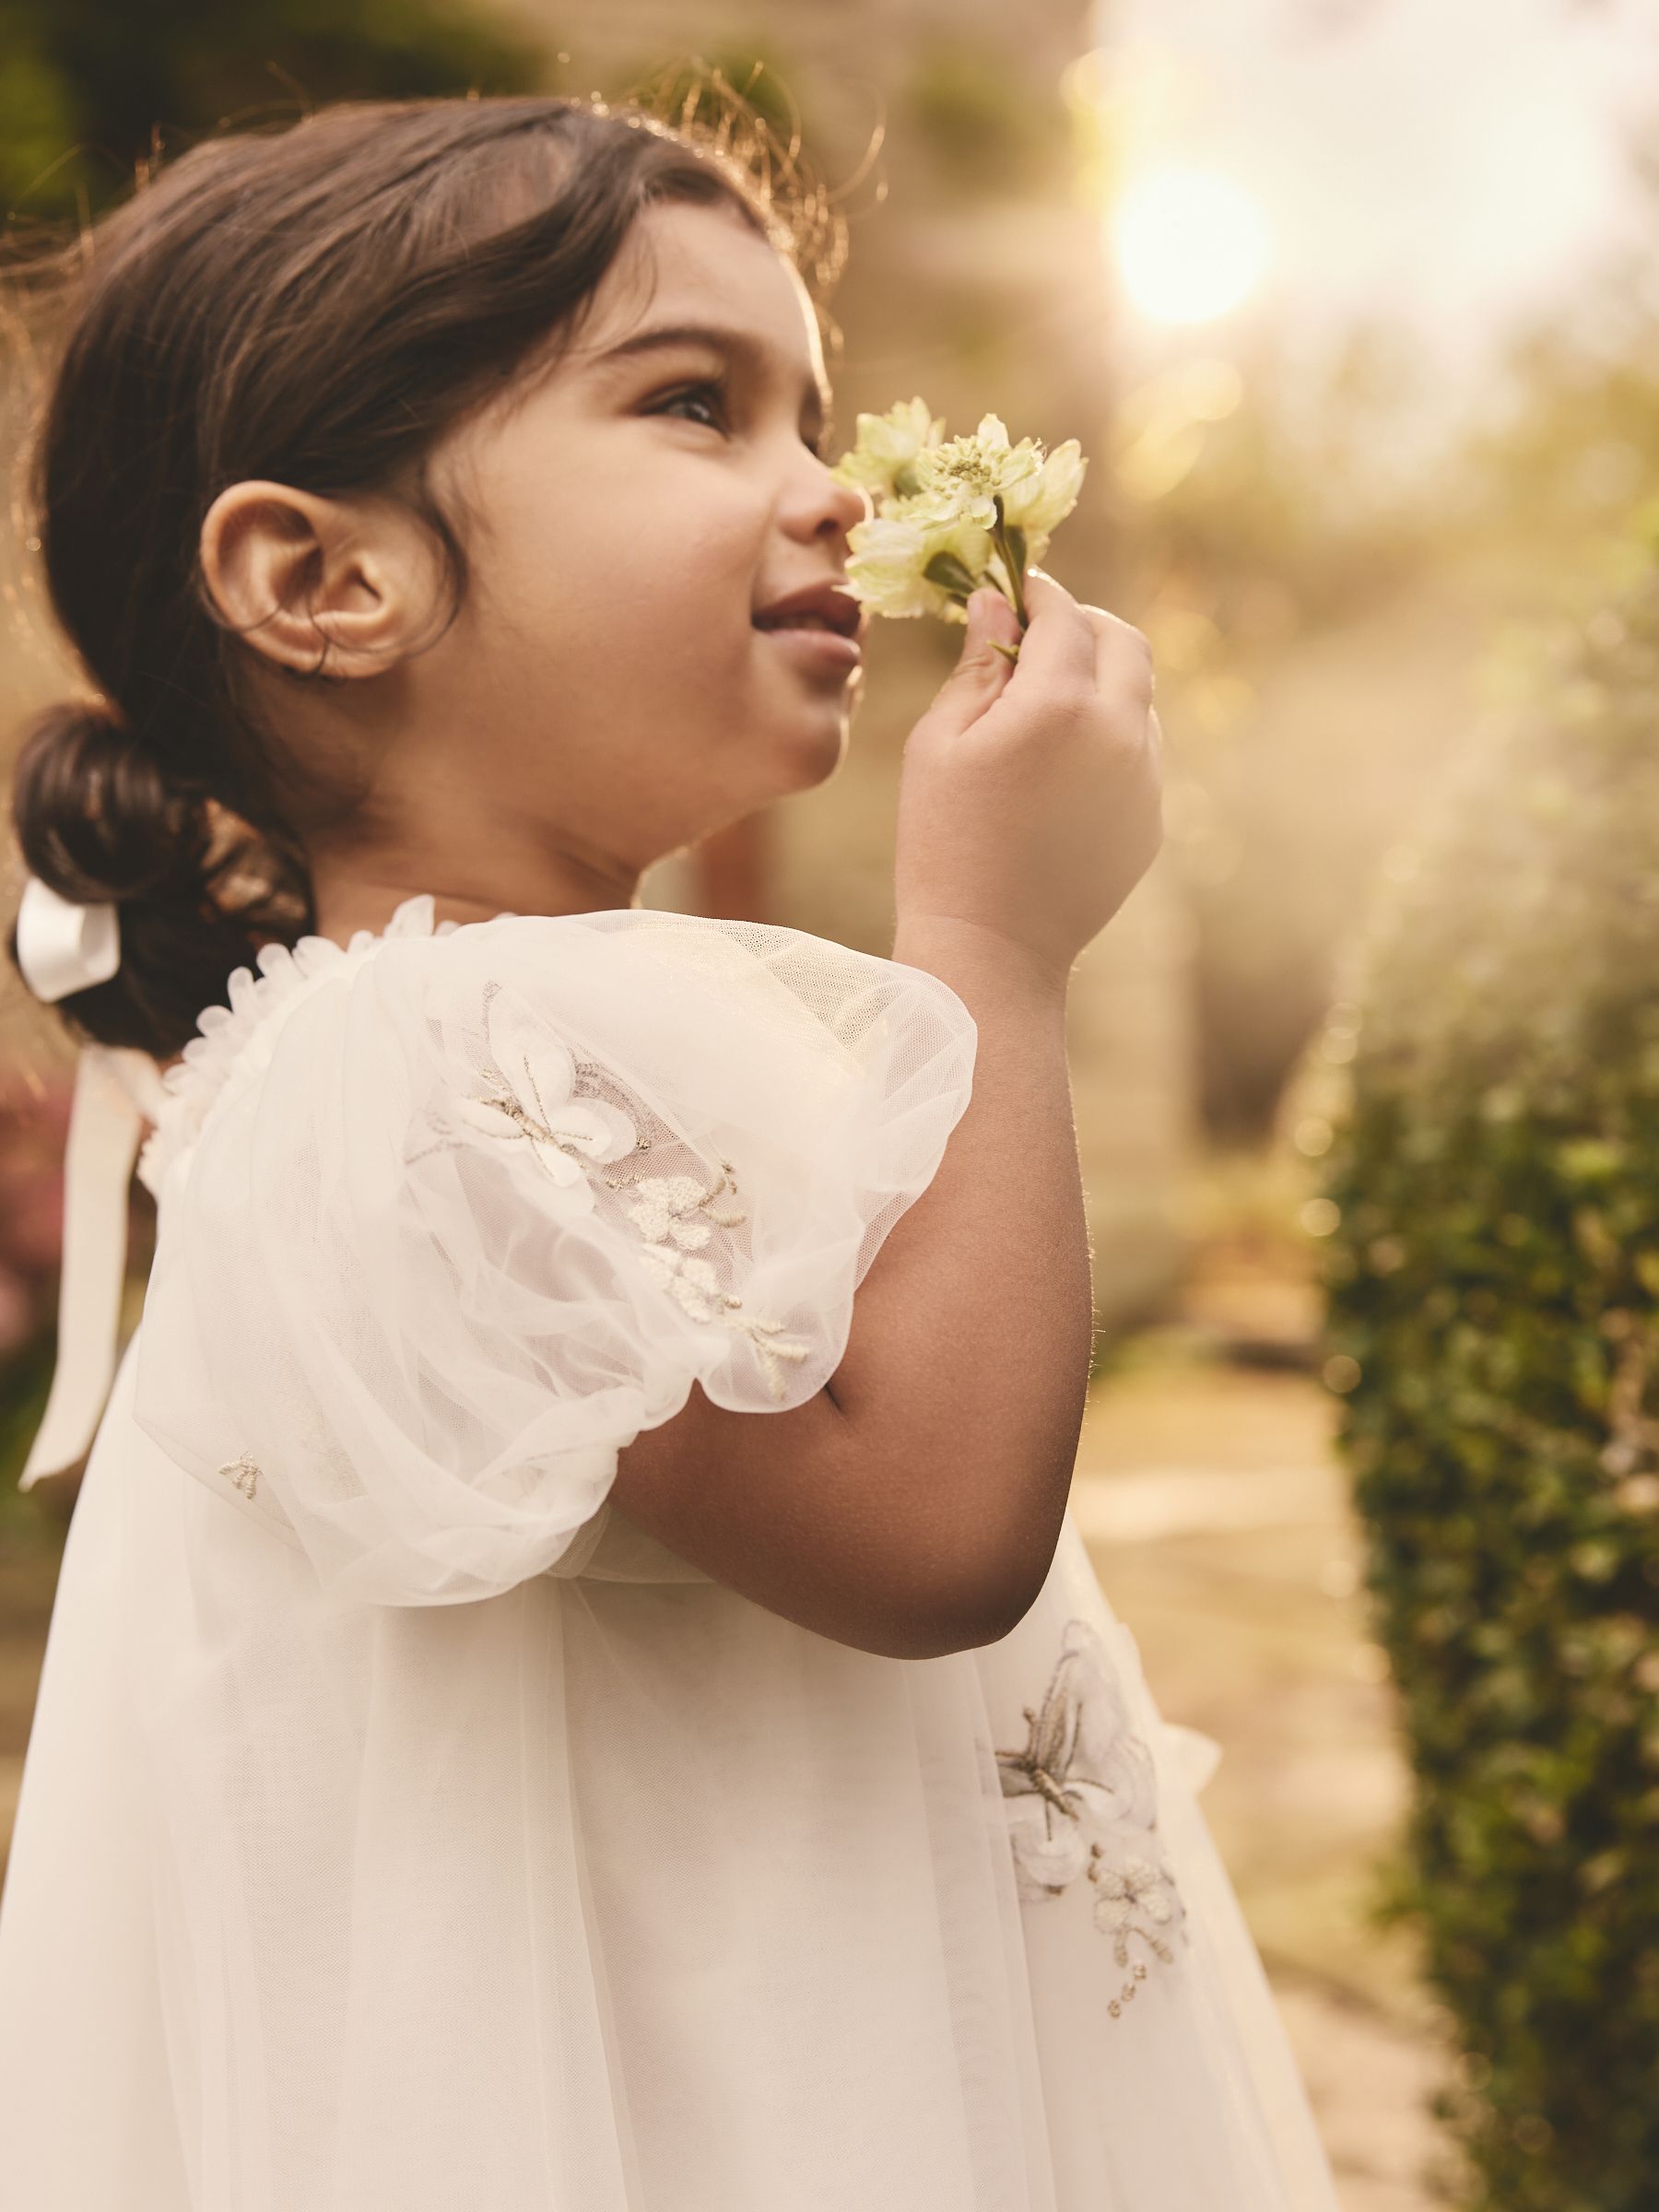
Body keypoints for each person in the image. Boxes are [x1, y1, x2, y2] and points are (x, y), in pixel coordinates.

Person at [0, 91, 1341, 2211]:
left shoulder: (526, 1034)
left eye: (817, 415)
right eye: (697, 406)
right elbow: (925, 1534)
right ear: (323, 576)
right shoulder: (429, 1079)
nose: (826, 492)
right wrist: (993, 946)